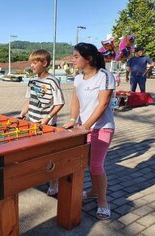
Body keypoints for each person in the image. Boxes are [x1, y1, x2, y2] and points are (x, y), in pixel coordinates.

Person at [62, 43, 115, 220]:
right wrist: (72, 120)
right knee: (87, 163)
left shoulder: (104, 76)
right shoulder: (78, 79)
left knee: (96, 165)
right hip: (83, 129)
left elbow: (103, 104)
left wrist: (86, 127)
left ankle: (103, 202)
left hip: (102, 128)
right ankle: (93, 191)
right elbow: (75, 101)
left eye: (76, 56)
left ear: (89, 58)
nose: (73, 59)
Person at [18, 49, 65, 197]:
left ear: (44, 63)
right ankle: (37, 177)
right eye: (31, 62)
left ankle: (54, 183)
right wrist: (22, 114)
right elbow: (29, 100)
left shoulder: (52, 81)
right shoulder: (32, 81)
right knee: (33, 152)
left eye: (34, 62)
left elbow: (60, 103)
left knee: (49, 155)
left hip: (47, 125)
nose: (31, 65)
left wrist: (47, 118)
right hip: (31, 123)